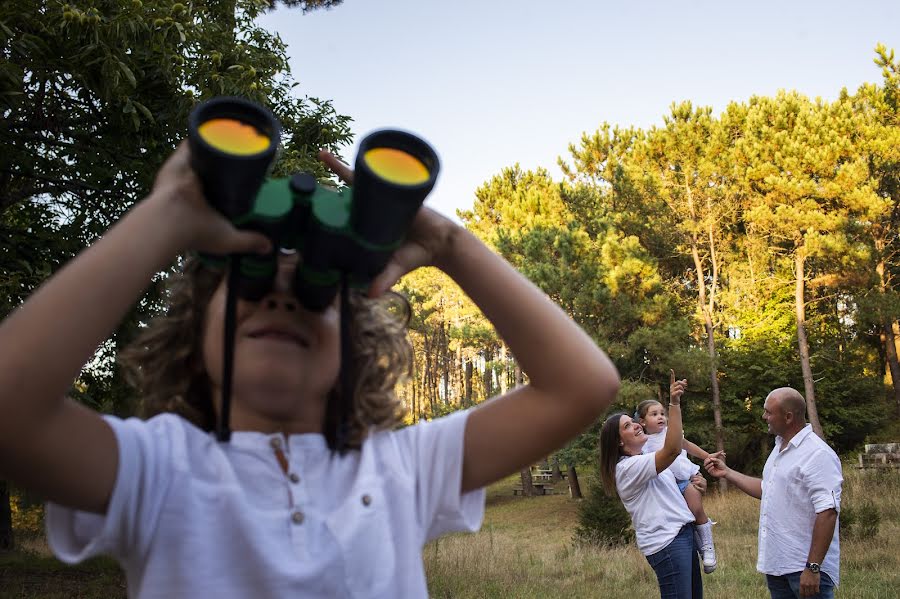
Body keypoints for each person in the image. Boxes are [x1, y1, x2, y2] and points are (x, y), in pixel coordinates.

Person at [0, 142, 621, 598]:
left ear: (354, 347)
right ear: (194, 341)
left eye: (314, 297)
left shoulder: (401, 466)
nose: (280, 299)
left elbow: (583, 384)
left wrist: (447, 243)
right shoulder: (158, 467)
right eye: (252, 288)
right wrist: (167, 215)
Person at [704, 387, 842, 599]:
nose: (764, 416)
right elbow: (768, 490)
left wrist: (813, 567)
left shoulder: (817, 454)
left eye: (769, 412)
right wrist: (728, 473)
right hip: (778, 565)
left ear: (788, 417)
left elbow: (828, 512)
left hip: (804, 567)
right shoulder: (779, 448)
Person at [599, 372, 703, 599]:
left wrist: (696, 482)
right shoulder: (627, 469)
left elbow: (673, 484)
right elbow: (673, 449)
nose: (637, 426)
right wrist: (674, 404)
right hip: (667, 542)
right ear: (619, 441)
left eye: (634, 421)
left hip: (682, 534)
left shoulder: (646, 455)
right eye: (628, 426)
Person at [636, 398, 717, 573]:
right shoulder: (643, 443)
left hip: (684, 480)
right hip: (666, 487)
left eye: (662, 414)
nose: (661, 417)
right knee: (686, 519)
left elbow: (687, 445)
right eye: (654, 414)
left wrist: (707, 457)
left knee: (697, 510)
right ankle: (698, 546)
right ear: (642, 422)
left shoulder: (669, 433)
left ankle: (708, 547)